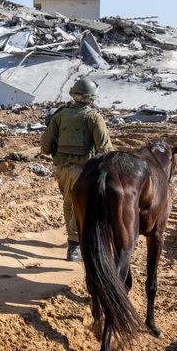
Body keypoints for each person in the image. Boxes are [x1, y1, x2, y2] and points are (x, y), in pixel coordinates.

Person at [40, 77, 114, 262]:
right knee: (81, 206)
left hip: (62, 168)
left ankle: (74, 242)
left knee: (68, 203)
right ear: (91, 98)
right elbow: (105, 149)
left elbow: (44, 146)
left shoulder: (60, 115)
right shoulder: (94, 117)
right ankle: (74, 246)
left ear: (74, 94)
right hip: (84, 170)